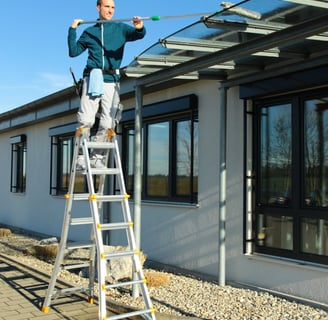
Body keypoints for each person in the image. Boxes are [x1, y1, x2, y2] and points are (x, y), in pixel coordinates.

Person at [68, 0, 146, 169]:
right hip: (93, 78)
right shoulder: (90, 32)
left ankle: (97, 157)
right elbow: (73, 52)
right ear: (98, 8)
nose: (110, 10)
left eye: (112, 7)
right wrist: (73, 29)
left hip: (112, 81)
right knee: (86, 119)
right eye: (107, 7)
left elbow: (138, 35)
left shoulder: (120, 28)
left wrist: (139, 26)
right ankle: (81, 157)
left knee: (109, 122)